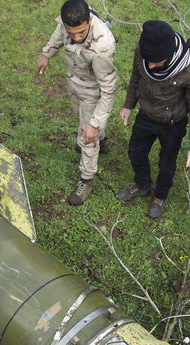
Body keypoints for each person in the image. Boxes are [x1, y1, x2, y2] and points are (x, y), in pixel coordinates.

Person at [117, 20, 190, 219]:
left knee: (167, 163)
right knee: (135, 152)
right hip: (146, 113)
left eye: (156, 62)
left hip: (172, 124)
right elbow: (136, 77)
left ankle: (161, 196)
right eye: (148, 60)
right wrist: (128, 105)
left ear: (169, 53)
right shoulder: (143, 50)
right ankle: (142, 185)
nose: (150, 65)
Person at [36, 0, 117, 206]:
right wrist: (47, 53)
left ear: (89, 19)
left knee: (87, 137)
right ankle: (103, 141)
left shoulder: (102, 47)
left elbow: (108, 90)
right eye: (71, 32)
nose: (76, 37)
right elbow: (58, 32)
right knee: (83, 122)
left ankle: (86, 180)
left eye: (81, 32)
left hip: (92, 93)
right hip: (74, 83)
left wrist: (94, 123)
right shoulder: (68, 23)